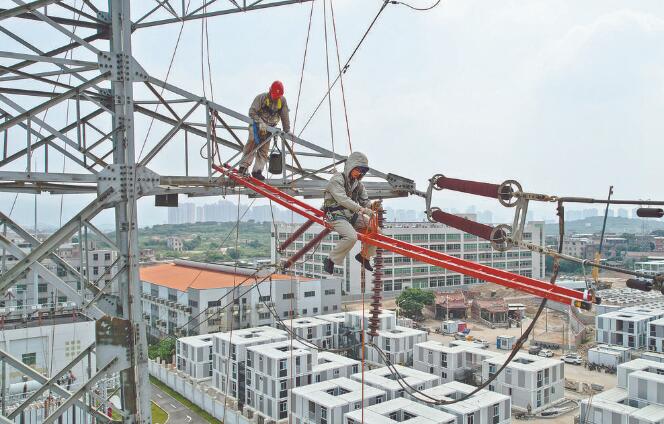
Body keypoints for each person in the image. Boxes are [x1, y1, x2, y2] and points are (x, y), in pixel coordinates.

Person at [322, 151, 382, 274]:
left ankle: (364, 256)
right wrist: (362, 209)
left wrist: (372, 206)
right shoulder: (337, 180)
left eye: (363, 171)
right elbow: (342, 199)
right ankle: (330, 259)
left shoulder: (357, 184)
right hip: (335, 215)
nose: (361, 173)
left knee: (376, 231)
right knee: (351, 237)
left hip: (350, 215)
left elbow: (365, 201)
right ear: (351, 166)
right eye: (359, 169)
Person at [238, 81, 291, 181]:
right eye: (274, 95)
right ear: (270, 91)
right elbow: (252, 112)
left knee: (264, 150)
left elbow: (285, 116)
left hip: (269, 129)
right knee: (252, 143)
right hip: (256, 126)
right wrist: (260, 122)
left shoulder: (282, 101)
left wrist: (287, 130)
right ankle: (243, 167)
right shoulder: (261, 98)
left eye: (278, 96)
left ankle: (257, 171)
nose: (276, 98)